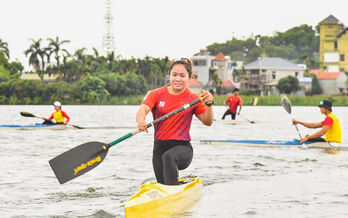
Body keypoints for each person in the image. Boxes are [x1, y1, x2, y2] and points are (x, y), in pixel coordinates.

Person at [136, 58, 214, 185]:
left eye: (182, 76)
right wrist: (141, 121)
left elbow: (208, 121)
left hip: (183, 149)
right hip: (159, 149)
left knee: (169, 157)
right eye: (174, 75)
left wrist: (209, 105)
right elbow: (143, 109)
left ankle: (174, 188)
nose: (177, 79)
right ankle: (177, 185)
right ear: (170, 76)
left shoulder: (193, 99)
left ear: (189, 78)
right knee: (163, 183)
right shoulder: (156, 94)